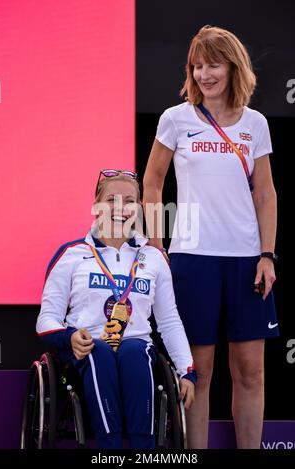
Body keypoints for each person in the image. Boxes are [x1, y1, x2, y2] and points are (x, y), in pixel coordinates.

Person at [143, 25, 278, 449]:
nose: (204, 74)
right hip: (192, 259)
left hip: (245, 261)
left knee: (250, 371)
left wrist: (267, 254)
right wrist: (155, 243)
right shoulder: (175, 118)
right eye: (197, 65)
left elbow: (265, 192)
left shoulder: (254, 124)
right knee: (196, 371)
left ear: (233, 67)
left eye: (213, 64)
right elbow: (152, 182)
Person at [36, 169, 196, 450]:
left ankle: (143, 450)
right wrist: (70, 336)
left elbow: (169, 321)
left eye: (130, 201)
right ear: (96, 206)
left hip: (136, 348)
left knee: (134, 351)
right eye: (111, 199)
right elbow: (46, 319)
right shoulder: (71, 254)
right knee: (101, 353)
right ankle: (109, 449)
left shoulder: (154, 258)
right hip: (86, 349)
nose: (120, 208)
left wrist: (186, 371)